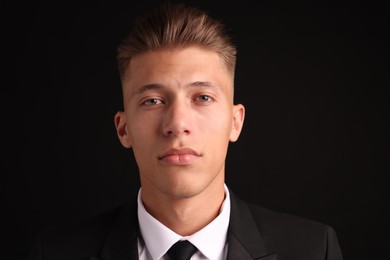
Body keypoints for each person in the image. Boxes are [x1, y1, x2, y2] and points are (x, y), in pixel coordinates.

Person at [29, 2, 343, 260]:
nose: (178, 124)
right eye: (153, 100)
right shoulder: (54, 254)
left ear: (235, 122)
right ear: (123, 129)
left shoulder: (313, 250)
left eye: (202, 98)